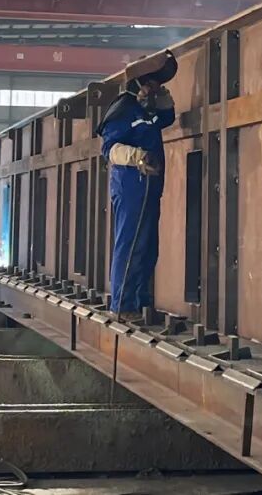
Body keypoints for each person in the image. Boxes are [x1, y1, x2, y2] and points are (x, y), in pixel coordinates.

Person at [96, 50, 177, 321]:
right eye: (152, 83)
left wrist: (163, 98)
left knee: (147, 247)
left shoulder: (145, 110)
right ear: (139, 83)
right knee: (130, 245)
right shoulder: (123, 109)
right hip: (132, 186)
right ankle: (122, 305)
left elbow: (167, 119)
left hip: (149, 186)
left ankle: (141, 302)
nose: (155, 87)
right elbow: (109, 148)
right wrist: (138, 157)